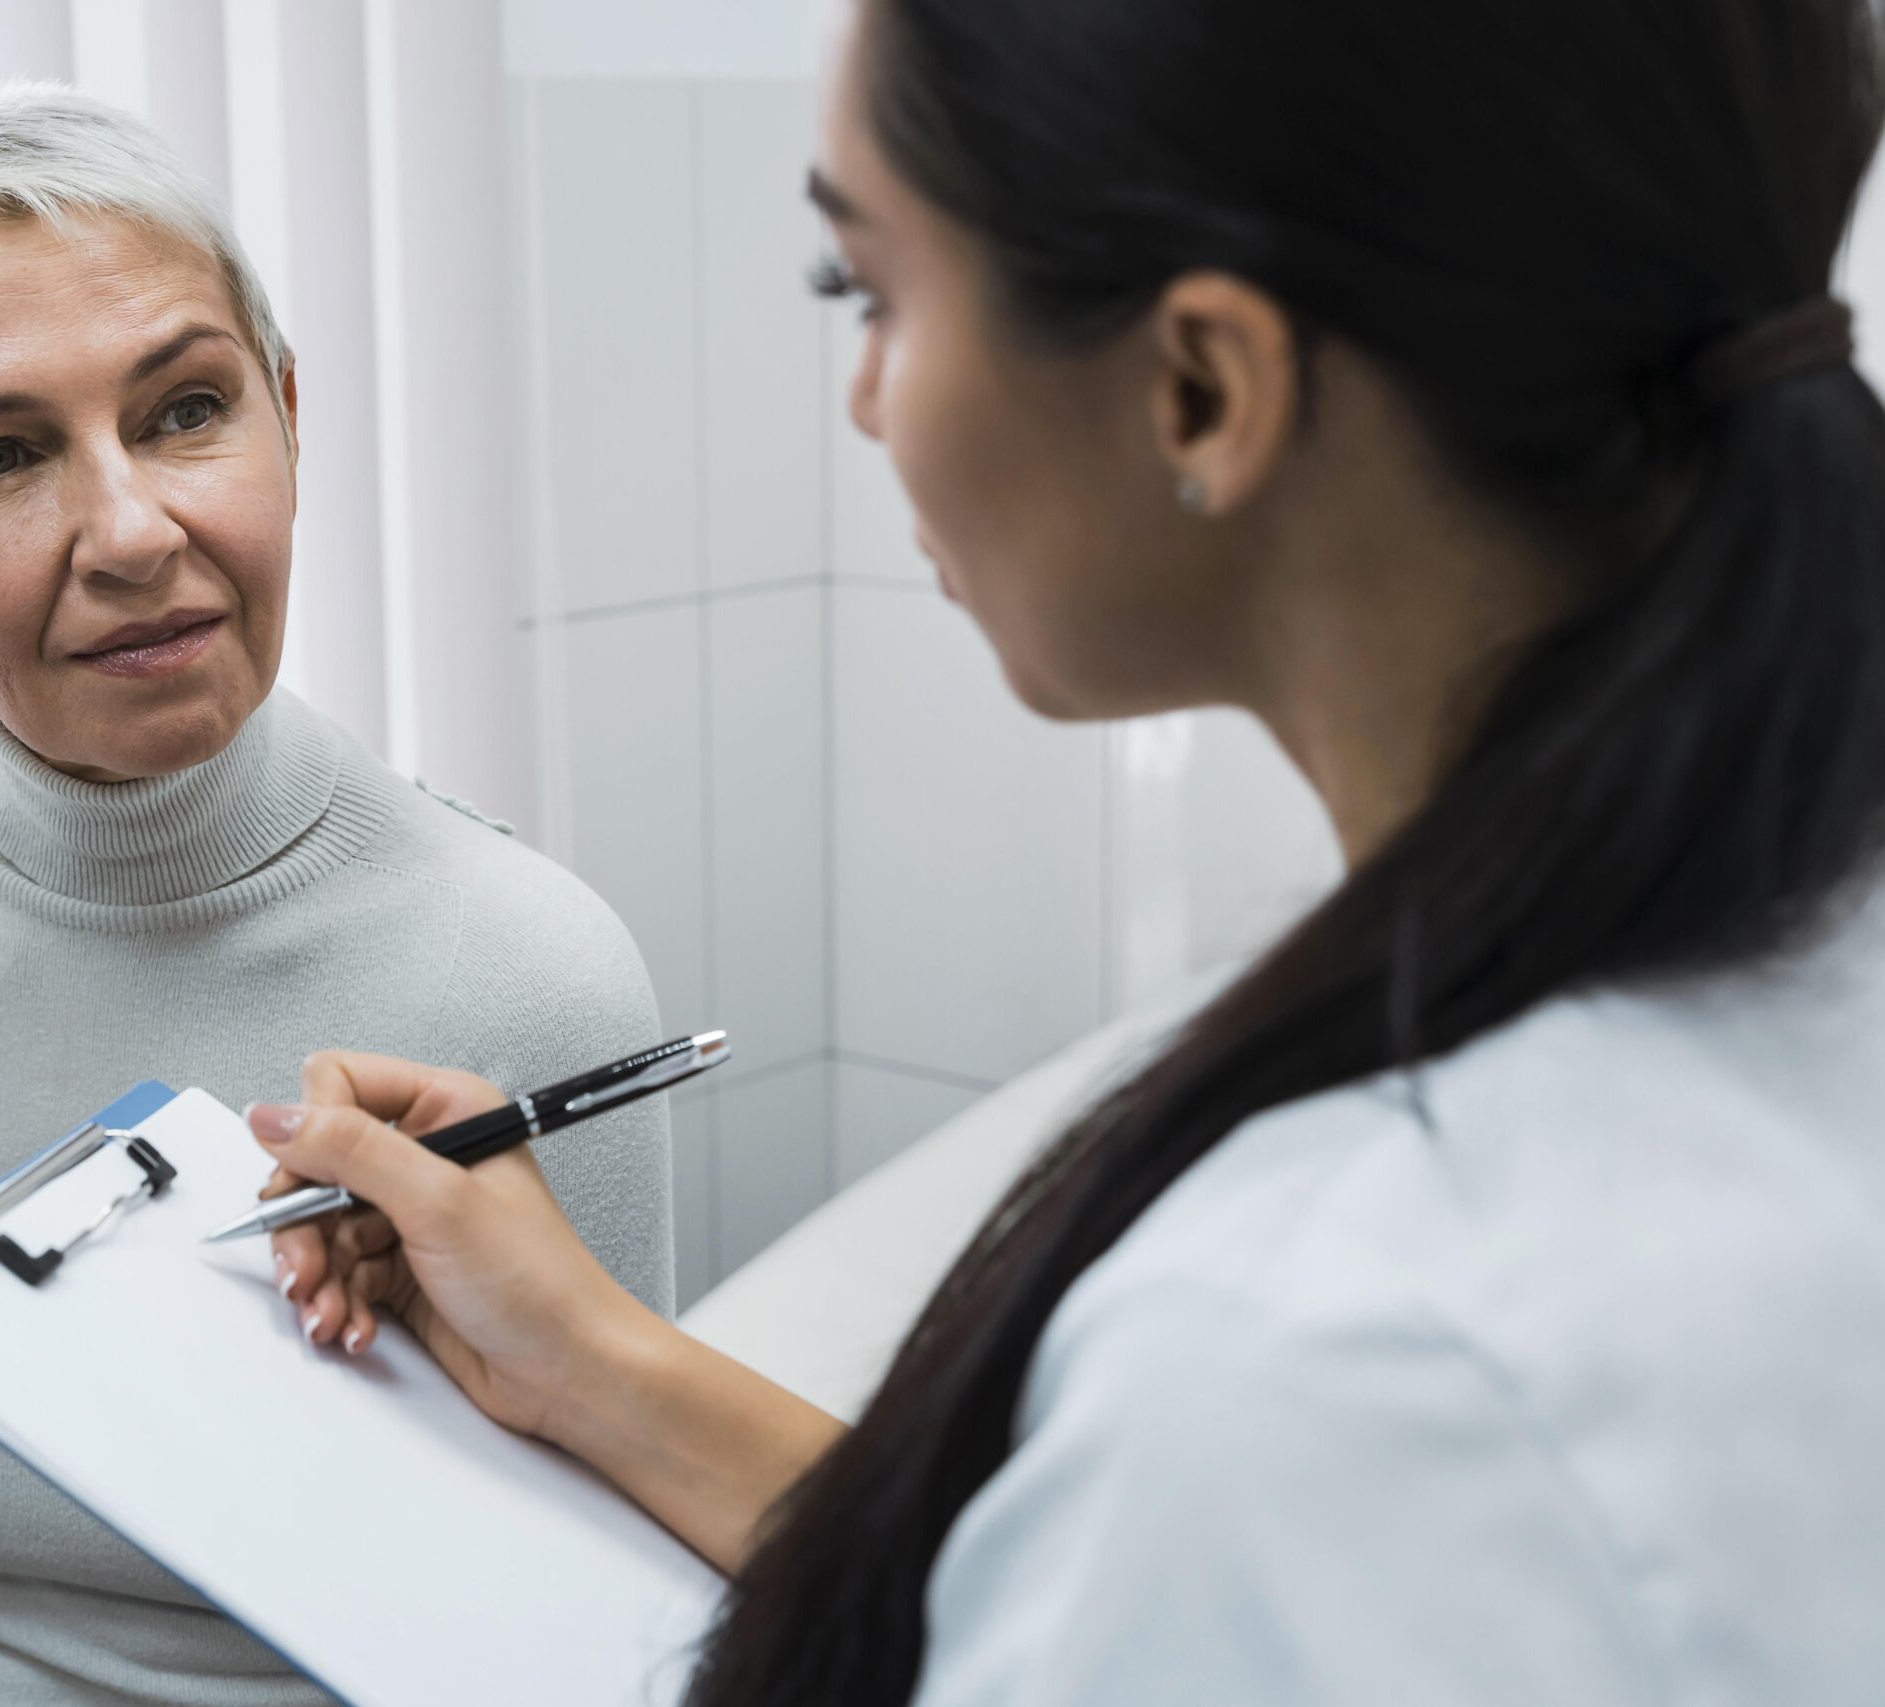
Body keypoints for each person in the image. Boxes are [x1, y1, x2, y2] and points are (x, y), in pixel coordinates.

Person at [252, 0, 1885, 1701]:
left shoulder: (1319, 1370)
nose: (870, 403)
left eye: (867, 293)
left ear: (1200, 388)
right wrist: (589, 1360)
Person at [0, 86, 673, 1706]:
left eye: (187, 411)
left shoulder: (524, 972)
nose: (131, 529)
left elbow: (604, 1657)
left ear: (286, 413)